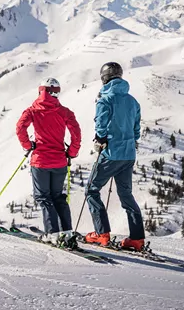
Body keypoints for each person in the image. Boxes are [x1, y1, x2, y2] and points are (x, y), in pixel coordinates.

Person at [84, 62, 146, 251]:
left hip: (111, 154)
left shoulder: (105, 99)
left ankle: (101, 233)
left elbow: (101, 124)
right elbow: (136, 129)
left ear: (104, 78)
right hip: (128, 154)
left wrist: (100, 140)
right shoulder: (133, 101)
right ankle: (136, 239)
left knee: (92, 190)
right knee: (125, 194)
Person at [16, 78, 81, 246]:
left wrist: (28, 145)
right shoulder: (64, 112)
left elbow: (20, 128)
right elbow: (76, 132)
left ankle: (52, 233)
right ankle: (66, 231)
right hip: (59, 160)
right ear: (56, 92)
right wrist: (72, 152)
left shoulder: (32, 111)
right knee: (58, 197)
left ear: (40, 91)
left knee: (44, 198)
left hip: (40, 162)